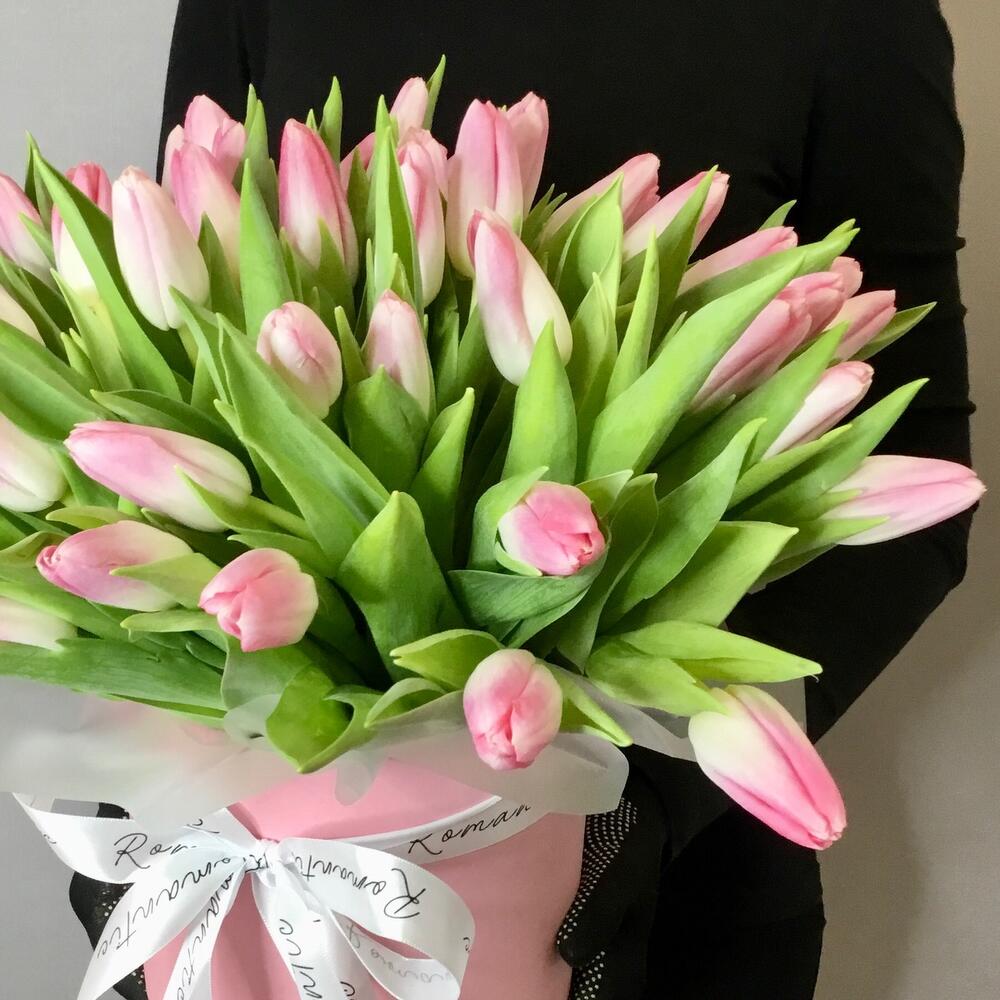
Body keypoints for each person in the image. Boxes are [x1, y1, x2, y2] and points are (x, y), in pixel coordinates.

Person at [72, 1, 975, 998]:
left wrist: (647, 802)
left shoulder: (852, 18)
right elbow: (190, 353)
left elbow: (914, 473)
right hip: (250, 874)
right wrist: (134, 798)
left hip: (665, 888)